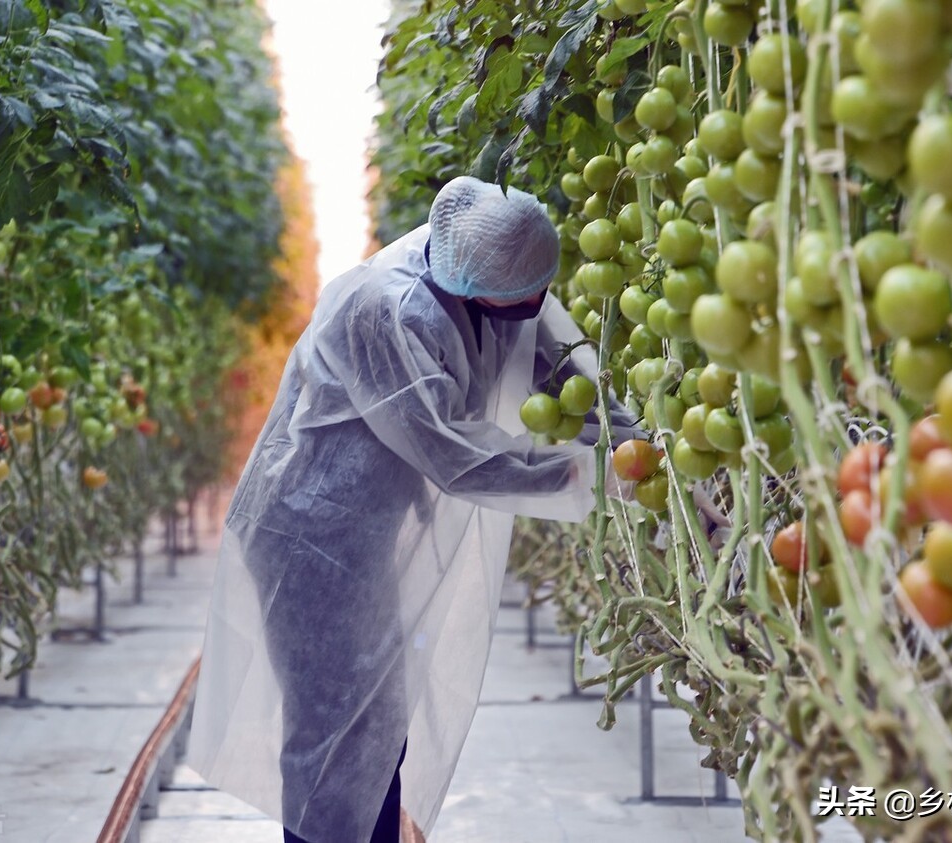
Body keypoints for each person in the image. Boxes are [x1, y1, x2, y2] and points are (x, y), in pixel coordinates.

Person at [186, 176, 635, 843]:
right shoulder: (390, 309)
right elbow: (456, 457)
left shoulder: (489, 268)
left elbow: (565, 374)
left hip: (361, 532)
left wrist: (637, 444)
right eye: (526, 297)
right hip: (310, 534)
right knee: (332, 725)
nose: (538, 306)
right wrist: (589, 475)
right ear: (476, 281)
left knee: (375, 717)